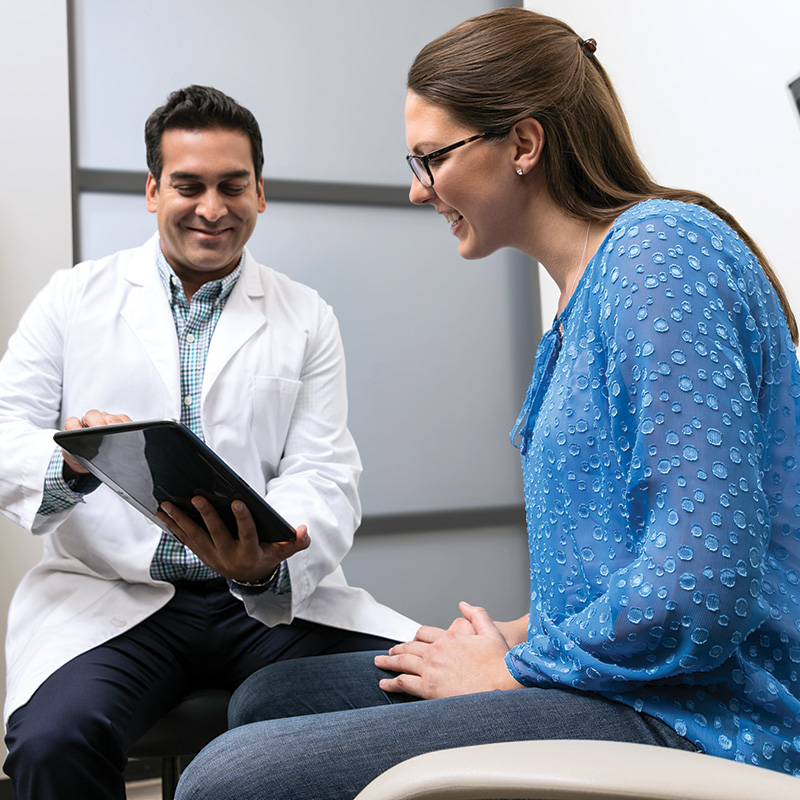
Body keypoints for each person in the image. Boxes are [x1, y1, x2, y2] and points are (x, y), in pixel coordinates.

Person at [172, 8, 800, 799]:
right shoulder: (580, 300)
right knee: (270, 696)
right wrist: (516, 634)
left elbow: (701, 584)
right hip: (627, 683)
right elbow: (624, 562)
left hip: (702, 716)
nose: (417, 188)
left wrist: (513, 667)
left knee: (230, 778)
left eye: (431, 158)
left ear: (524, 144)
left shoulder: (659, 255)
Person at [0, 85, 418, 800]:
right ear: (152, 192)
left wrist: (264, 562)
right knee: (54, 742)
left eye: (232, 185)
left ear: (260, 192)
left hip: (259, 601)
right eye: (188, 186)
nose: (212, 208)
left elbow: (323, 470)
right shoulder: (73, 298)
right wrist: (69, 463)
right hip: (115, 597)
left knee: (421, 684)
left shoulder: (306, 315)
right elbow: (7, 429)